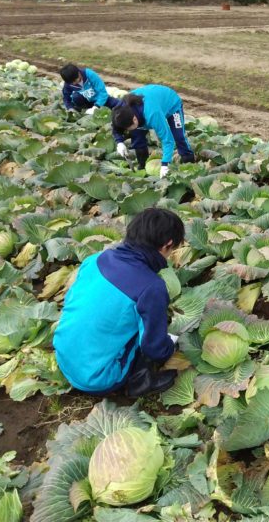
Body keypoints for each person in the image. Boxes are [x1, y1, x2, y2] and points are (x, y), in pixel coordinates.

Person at [53, 208, 183, 397]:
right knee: (145, 336)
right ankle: (140, 383)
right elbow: (154, 348)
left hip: (64, 357)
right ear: (167, 245)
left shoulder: (96, 259)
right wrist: (170, 346)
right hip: (97, 379)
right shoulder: (150, 287)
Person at [110, 85, 196, 178]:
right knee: (137, 137)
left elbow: (167, 140)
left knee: (179, 137)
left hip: (171, 103)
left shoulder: (153, 114)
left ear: (134, 119)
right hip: (149, 100)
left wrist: (165, 164)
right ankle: (142, 167)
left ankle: (189, 165)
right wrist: (119, 142)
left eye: (128, 128)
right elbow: (116, 127)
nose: (127, 131)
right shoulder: (120, 110)